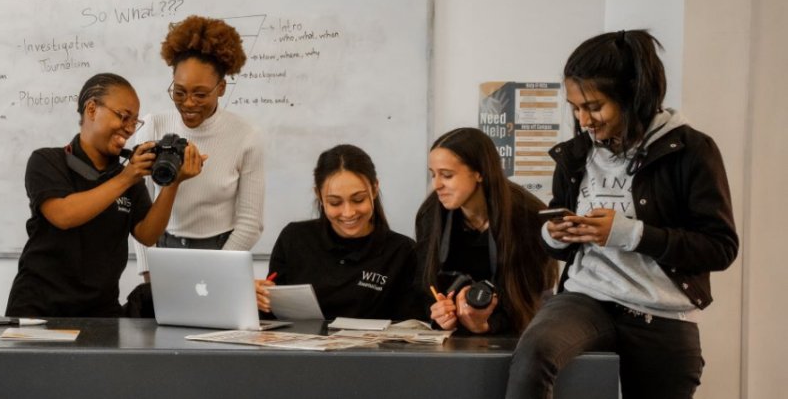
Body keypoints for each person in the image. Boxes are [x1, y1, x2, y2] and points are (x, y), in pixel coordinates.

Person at [506, 30, 738, 399]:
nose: (583, 120)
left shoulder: (692, 151)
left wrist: (630, 233)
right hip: (586, 298)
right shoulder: (575, 154)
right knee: (533, 353)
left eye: (595, 107)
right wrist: (555, 235)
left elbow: (720, 248)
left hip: (660, 311)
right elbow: (558, 246)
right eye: (575, 107)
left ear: (634, 97)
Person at [6, 73, 204, 317]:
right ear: (91, 109)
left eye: (134, 122)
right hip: (39, 310)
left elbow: (147, 233)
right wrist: (126, 177)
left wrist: (173, 183)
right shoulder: (48, 160)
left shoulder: (127, 175)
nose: (129, 129)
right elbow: (64, 215)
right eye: (123, 117)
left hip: (100, 312)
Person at [132, 15, 265, 282]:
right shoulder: (153, 126)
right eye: (179, 92)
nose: (189, 103)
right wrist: (148, 269)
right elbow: (139, 210)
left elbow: (251, 223)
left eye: (201, 94)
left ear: (222, 88)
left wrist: (216, 272)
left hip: (222, 252)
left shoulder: (246, 136)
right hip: (162, 249)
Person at [416, 127, 556, 335]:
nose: (436, 185)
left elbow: (530, 299)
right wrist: (441, 315)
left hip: (520, 330)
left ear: (479, 172)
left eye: (446, 175)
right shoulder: (430, 214)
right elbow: (427, 285)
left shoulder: (529, 217)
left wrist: (485, 325)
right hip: (452, 334)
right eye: (433, 175)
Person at [254, 144, 418, 320]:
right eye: (335, 203)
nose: (348, 212)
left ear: (375, 188)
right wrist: (257, 298)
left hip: (371, 347)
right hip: (300, 346)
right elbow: (271, 315)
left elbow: (409, 325)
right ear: (319, 195)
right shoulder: (294, 238)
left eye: (358, 199)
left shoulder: (402, 251)